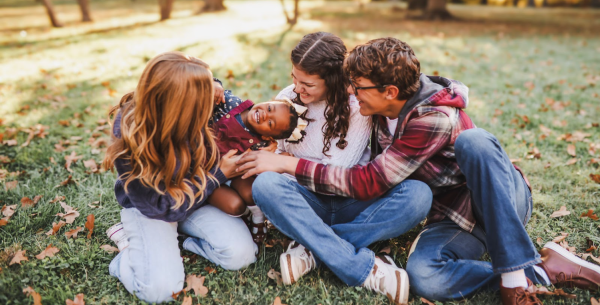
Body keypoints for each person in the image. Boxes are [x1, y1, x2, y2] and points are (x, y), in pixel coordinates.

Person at [237, 37, 600, 305]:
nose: (353, 93)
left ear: (390, 90)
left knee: (475, 142)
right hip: (450, 216)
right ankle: (543, 268)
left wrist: (286, 163)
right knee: (425, 278)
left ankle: (514, 276)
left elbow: (370, 181)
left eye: (359, 88)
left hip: (498, 201)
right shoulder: (377, 108)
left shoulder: (433, 118)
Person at [241, 32, 434, 305]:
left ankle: (313, 249)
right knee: (266, 186)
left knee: (418, 195)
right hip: (305, 202)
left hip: (353, 201)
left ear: (332, 80)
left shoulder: (359, 105)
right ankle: (364, 268)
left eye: (307, 83)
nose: (297, 88)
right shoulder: (288, 97)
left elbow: (340, 171)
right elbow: (278, 153)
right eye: (294, 78)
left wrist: (285, 163)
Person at [102, 51, 256, 304]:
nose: (212, 99)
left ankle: (172, 244)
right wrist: (218, 176)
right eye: (204, 95)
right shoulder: (131, 138)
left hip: (197, 200)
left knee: (241, 256)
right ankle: (129, 252)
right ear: (180, 104)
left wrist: (213, 84)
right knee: (159, 292)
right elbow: (163, 209)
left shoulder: (192, 106)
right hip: (155, 210)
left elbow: (232, 108)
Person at [208, 90, 308, 245]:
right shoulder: (233, 104)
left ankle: (258, 219)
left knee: (250, 192)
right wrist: (215, 83)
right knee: (235, 206)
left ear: (269, 136)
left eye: (270, 124)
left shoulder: (262, 144)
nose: (264, 115)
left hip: (234, 174)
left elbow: (257, 166)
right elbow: (212, 93)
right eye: (269, 108)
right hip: (207, 173)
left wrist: (277, 156)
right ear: (269, 101)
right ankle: (242, 215)